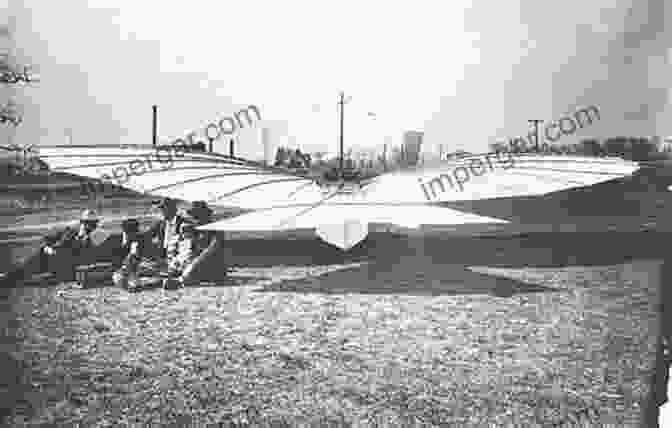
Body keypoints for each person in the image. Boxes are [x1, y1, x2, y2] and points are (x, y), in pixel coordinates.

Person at [1, 209, 105, 286]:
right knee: (27, 267)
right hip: (50, 257)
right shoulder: (70, 229)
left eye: (92, 224)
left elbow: (87, 257)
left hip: (65, 263)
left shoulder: (95, 236)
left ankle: (9, 278)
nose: (89, 226)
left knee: (34, 271)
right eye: (87, 223)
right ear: (82, 222)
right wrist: (48, 247)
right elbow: (48, 238)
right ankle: (6, 278)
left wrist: (83, 240)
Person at [110, 218, 145, 291]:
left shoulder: (136, 241)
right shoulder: (116, 240)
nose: (135, 233)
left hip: (129, 271)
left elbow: (133, 261)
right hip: (121, 271)